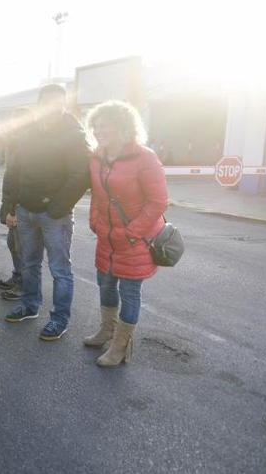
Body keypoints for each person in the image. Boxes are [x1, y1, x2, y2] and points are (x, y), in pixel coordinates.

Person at [3, 84, 91, 341]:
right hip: (25, 212)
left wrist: (56, 208)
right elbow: (14, 172)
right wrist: (10, 207)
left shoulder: (74, 134)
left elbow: (80, 175)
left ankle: (59, 319)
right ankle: (30, 306)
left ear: (63, 106)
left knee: (60, 270)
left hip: (55, 216)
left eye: (57, 104)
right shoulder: (29, 133)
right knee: (29, 264)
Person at [86, 101, 168, 367]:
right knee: (106, 285)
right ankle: (106, 330)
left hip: (135, 240)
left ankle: (121, 346)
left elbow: (158, 202)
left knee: (129, 293)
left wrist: (131, 233)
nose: (98, 131)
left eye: (104, 126)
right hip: (106, 238)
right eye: (95, 127)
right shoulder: (97, 157)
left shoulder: (145, 158)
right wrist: (95, 223)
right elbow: (97, 197)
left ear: (123, 127)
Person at [0, 107, 33, 301]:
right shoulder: (16, 143)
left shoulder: (27, 144)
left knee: (21, 246)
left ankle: (23, 285)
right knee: (13, 243)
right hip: (13, 201)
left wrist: (13, 210)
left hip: (20, 204)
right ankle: (18, 276)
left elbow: (21, 180)